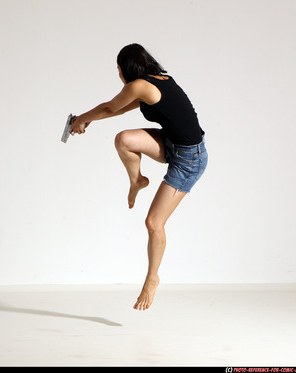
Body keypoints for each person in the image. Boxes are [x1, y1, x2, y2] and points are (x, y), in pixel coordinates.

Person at [70, 43, 208, 311]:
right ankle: (137, 180)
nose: (119, 75)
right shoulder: (159, 80)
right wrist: (85, 120)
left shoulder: (140, 85)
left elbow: (111, 107)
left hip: (190, 160)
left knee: (154, 223)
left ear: (124, 68)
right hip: (172, 145)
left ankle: (152, 279)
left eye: (118, 70)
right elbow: (119, 110)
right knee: (124, 139)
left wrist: (81, 119)